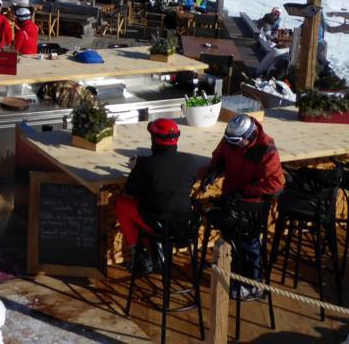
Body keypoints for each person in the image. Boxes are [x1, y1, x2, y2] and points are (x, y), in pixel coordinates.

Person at [200, 115, 285, 297]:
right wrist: (215, 169)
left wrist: (245, 192)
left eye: (237, 142)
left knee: (249, 241)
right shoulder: (231, 139)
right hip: (232, 200)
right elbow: (220, 154)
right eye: (230, 141)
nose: (233, 146)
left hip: (253, 206)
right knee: (229, 235)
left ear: (250, 136)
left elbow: (276, 183)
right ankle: (233, 271)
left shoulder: (265, 150)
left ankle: (254, 283)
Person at [115, 119, 198, 274]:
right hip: (184, 225)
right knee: (159, 205)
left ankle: (139, 257)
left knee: (122, 204)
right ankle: (156, 250)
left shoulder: (146, 164)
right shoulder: (190, 161)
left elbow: (131, 191)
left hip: (158, 224)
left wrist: (136, 169)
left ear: (154, 139)